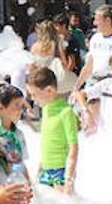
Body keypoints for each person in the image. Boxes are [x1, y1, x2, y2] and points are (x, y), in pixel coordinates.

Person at [25, 65, 77, 194]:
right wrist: (39, 171)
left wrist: (68, 179)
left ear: (49, 90)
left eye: (34, 94)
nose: (32, 98)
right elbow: (47, 142)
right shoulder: (46, 109)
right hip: (46, 170)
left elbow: (73, 148)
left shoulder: (66, 112)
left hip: (61, 171)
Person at [75, 6, 112, 96]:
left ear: (108, 21)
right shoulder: (95, 38)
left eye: (97, 20)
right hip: (93, 82)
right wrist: (76, 87)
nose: (94, 23)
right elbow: (88, 65)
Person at [0, 84, 29, 172]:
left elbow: (21, 163)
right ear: (0, 108)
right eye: (17, 105)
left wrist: (28, 182)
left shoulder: (18, 134)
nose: (20, 110)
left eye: (22, 106)